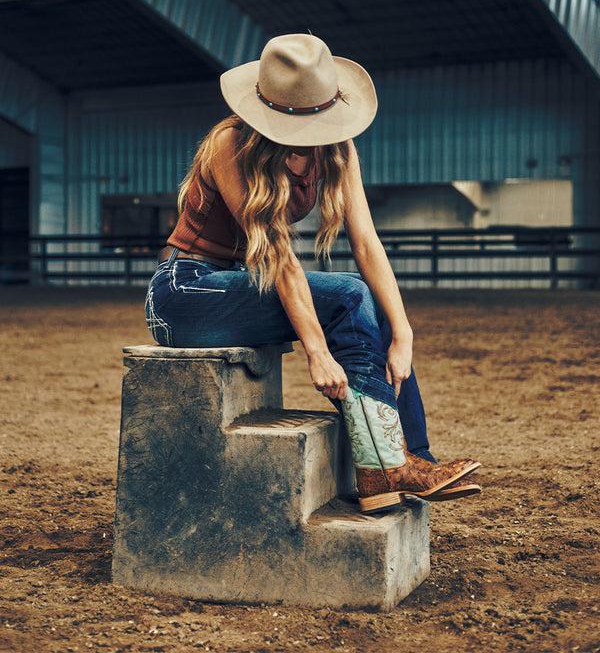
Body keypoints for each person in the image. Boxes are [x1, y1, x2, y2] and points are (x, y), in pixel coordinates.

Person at [145, 33, 481, 513]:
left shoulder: (337, 148)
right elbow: (278, 255)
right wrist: (317, 351)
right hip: (185, 292)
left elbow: (366, 242)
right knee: (347, 295)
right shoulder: (230, 144)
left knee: (371, 303)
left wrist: (403, 331)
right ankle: (385, 465)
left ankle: (408, 461)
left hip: (244, 284)